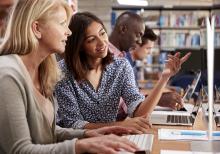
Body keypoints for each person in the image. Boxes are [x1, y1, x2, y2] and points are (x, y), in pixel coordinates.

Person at [0, 0, 139, 153]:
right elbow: (19, 150)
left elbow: (47, 133)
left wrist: (87, 134)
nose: (69, 32)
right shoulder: (8, 74)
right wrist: (79, 145)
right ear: (36, 28)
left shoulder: (44, 72)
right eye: (62, 23)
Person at [55, 12, 190, 133]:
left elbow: (138, 112)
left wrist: (164, 78)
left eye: (102, 33)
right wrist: (121, 126)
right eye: (91, 39)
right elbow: (73, 124)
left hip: (110, 142)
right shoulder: (63, 72)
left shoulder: (121, 66)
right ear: (78, 45)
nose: (102, 43)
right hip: (77, 146)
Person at [109, 11, 186, 111]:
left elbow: (132, 98)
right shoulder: (113, 59)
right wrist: (158, 97)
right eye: (148, 48)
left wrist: (164, 79)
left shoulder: (122, 58)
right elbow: (124, 104)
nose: (139, 42)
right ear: (123, 29)